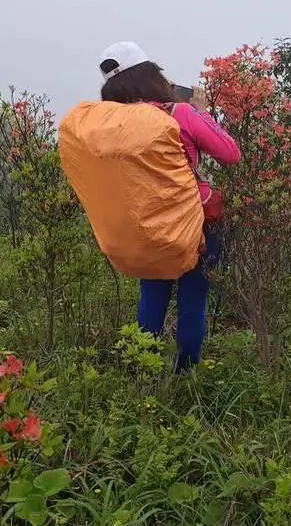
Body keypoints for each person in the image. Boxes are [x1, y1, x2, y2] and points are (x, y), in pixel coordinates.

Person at [98, 41, 240, 371]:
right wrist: (201, 111)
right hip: (193, 224)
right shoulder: (180, 114)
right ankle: (185, 376)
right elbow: (230, 153)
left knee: (151, 298)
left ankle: (140, 372)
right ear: (151, 76)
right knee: (192, 302)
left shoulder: (113, 124)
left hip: (144, 224)